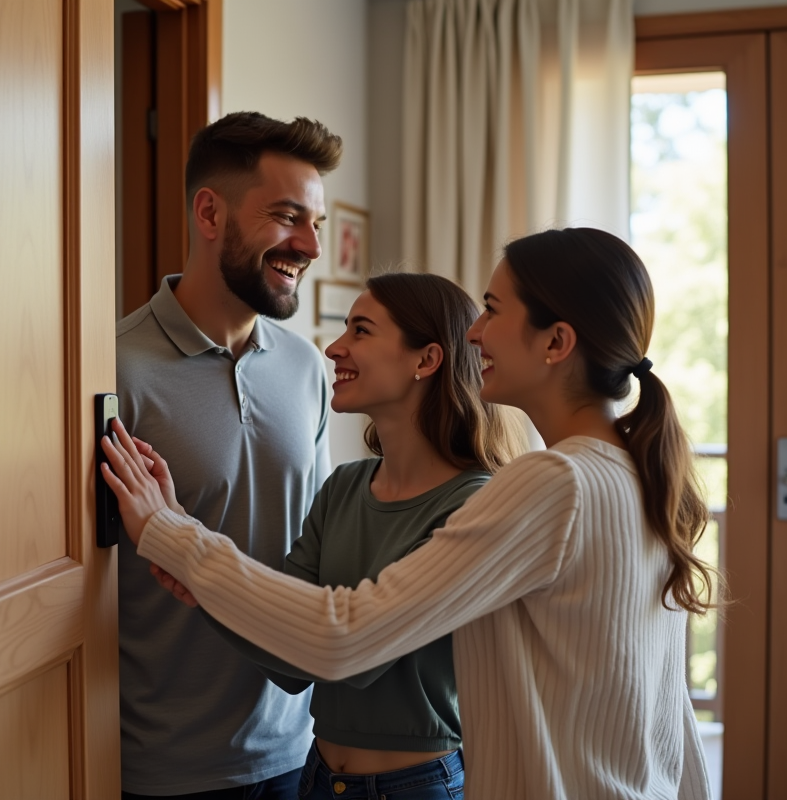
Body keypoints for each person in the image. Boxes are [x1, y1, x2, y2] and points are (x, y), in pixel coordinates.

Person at [104, 227, 716, 799]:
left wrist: (169, 531)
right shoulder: (632, 473)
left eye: (494, 311)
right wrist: (203, 578)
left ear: (556, 343)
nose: (474, 335)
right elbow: (670, 720)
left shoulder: (555, 484)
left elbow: (343, 637)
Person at [196, 272, 521, 799]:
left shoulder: (475, 504)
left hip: (417, 787)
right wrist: (201, 585)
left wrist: (198, 563)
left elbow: (349, 655)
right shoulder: (344, 487)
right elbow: (289, 660)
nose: (334, 348)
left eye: (361, 331)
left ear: (426, 360)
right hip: (318, 777)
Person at [113, 111, 341, 799]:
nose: (308, 245)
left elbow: (316, 548)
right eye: (286, 216)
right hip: (164, 769)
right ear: (210, 213)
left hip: (302, 750)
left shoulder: (306, 368)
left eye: (317, 224)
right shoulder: (113, 369)